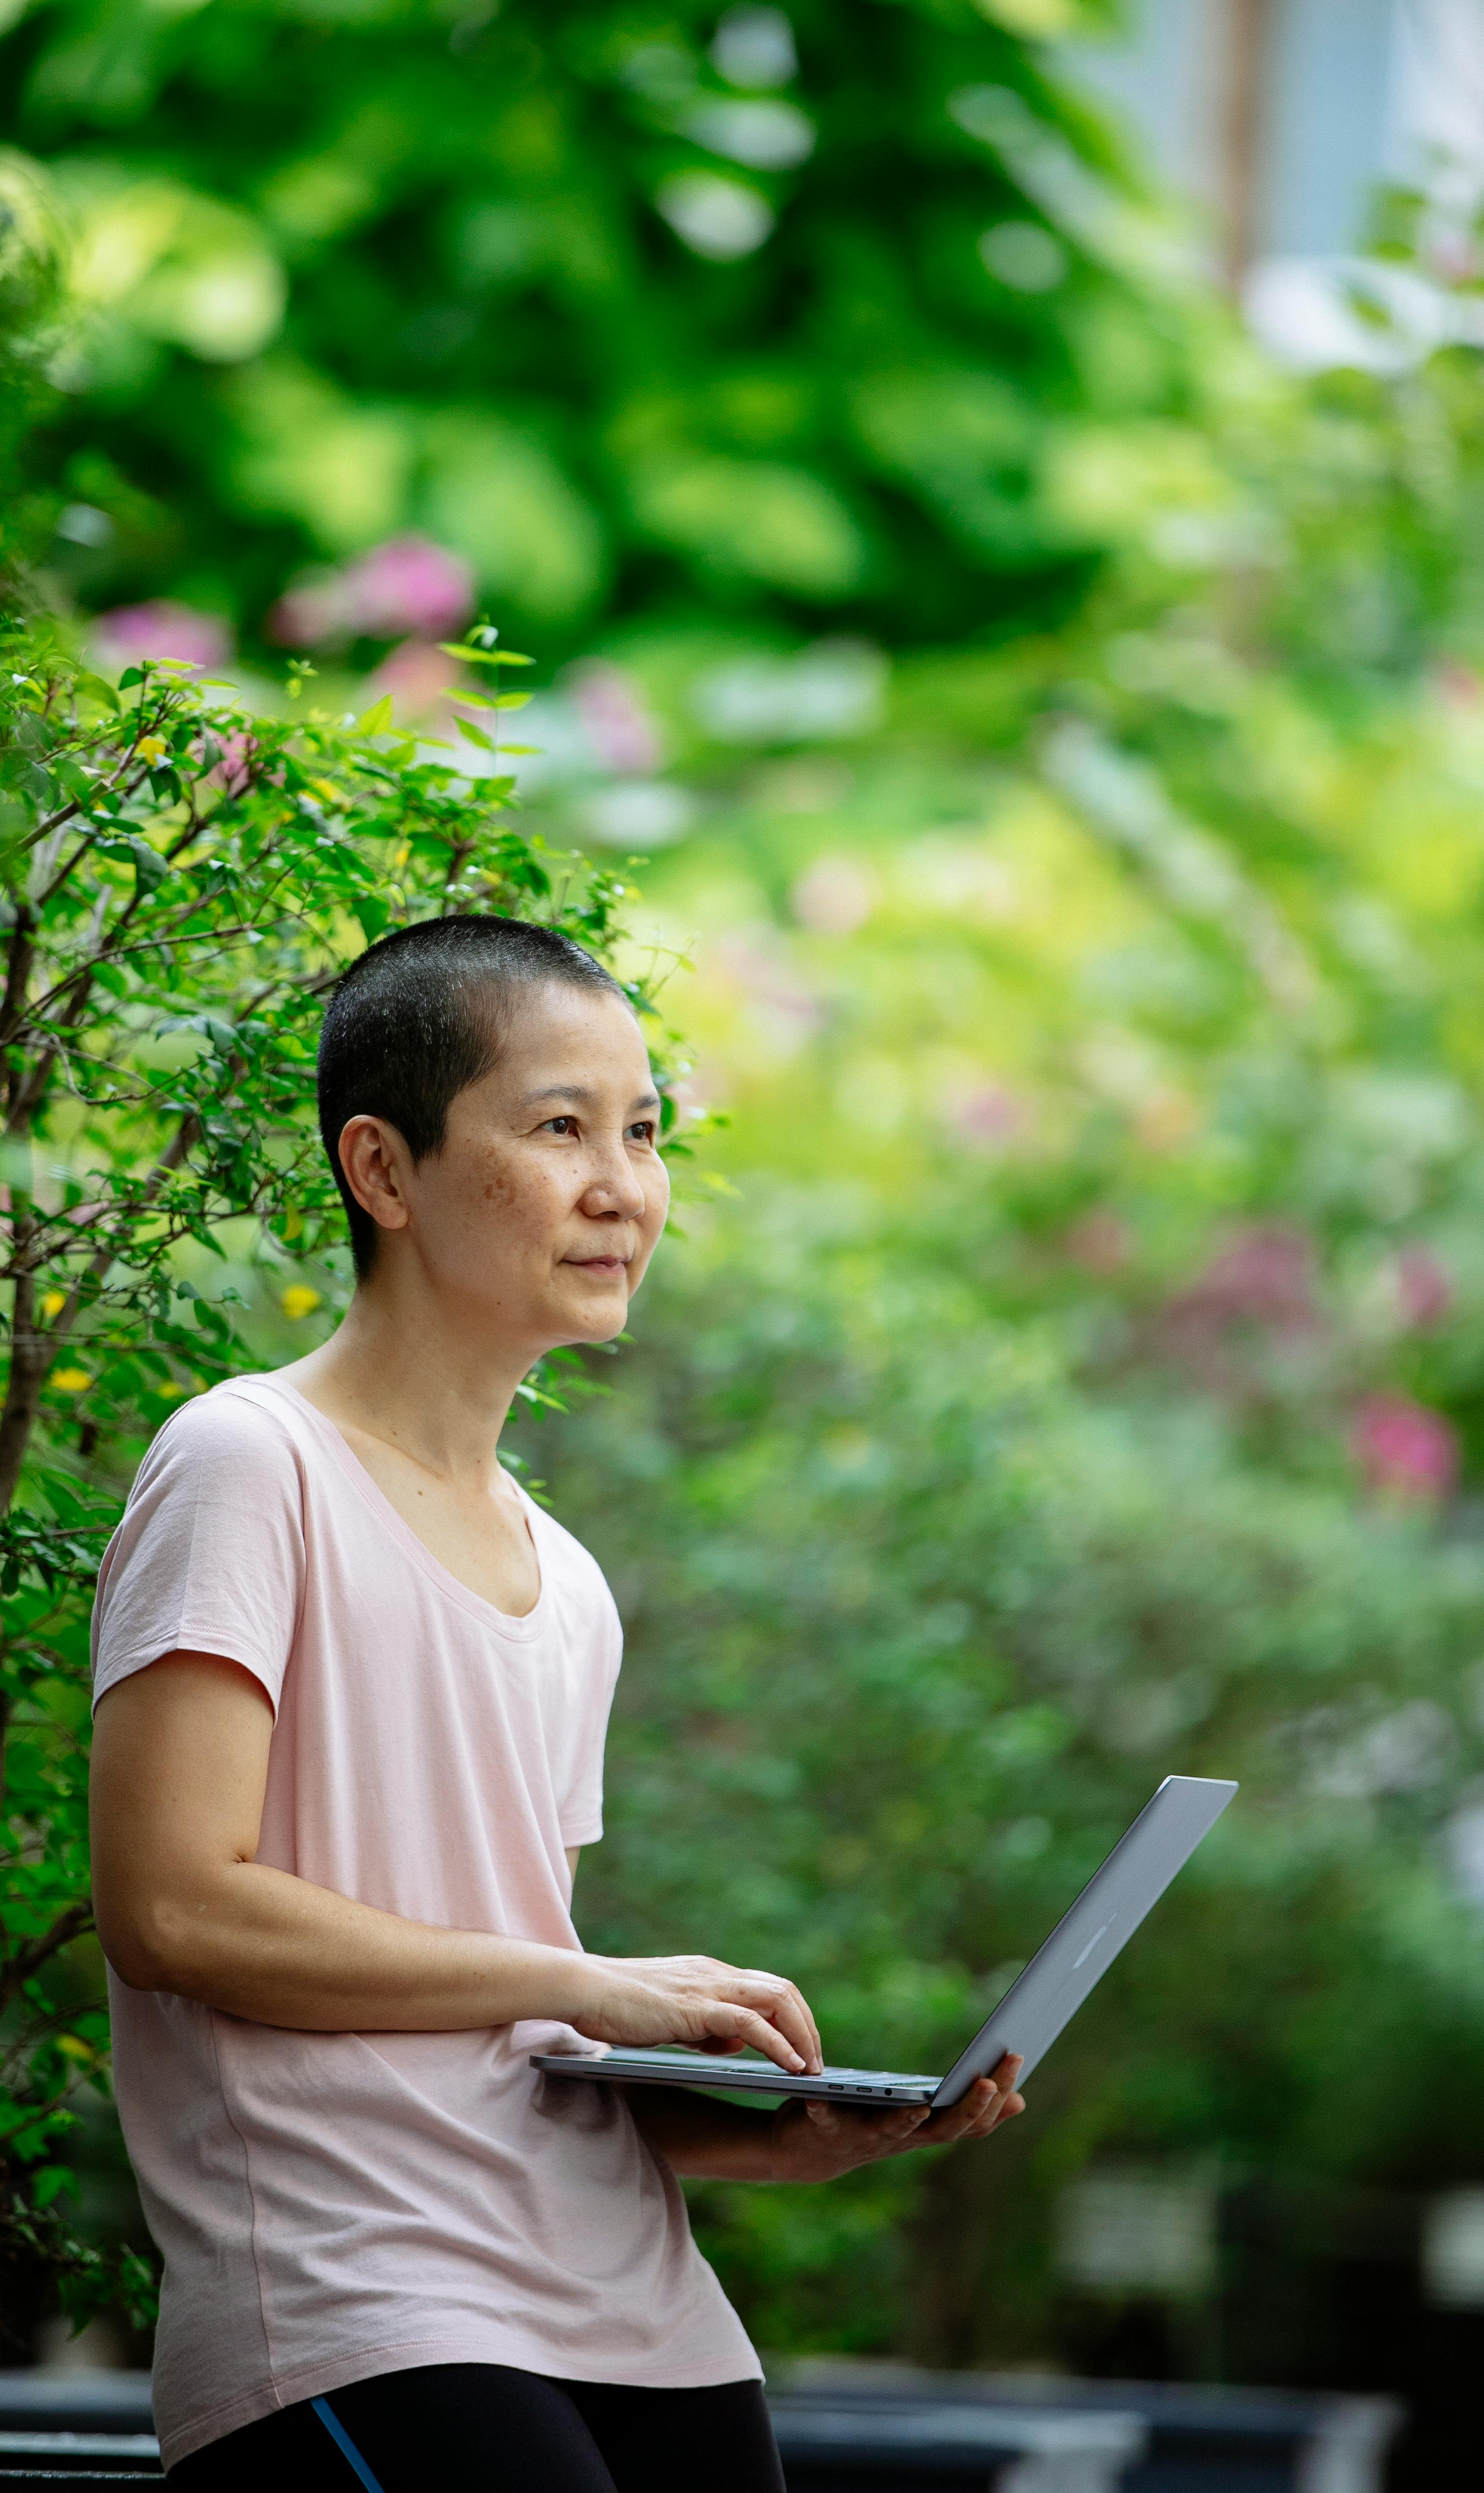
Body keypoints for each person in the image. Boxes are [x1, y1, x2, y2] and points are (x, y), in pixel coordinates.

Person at [88, 915, 1025, 2490]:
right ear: (383, 1173)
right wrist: (602, 1985)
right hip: (357, 2292)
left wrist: (765, 2132)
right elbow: (171, 1912)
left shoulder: (567, 1577)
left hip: (630, 2296)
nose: (623, 1189)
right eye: (560, 1129)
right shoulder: (252, 1465)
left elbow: (499, 2024)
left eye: (643, 1134)